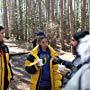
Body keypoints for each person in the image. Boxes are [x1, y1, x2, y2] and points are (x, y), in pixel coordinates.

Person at [0, 26, 13, 90]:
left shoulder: (5, 47)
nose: (3, 35)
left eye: (4, 33)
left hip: (5, 79)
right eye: (2, 33)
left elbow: (7, 63)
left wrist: (10, 76)